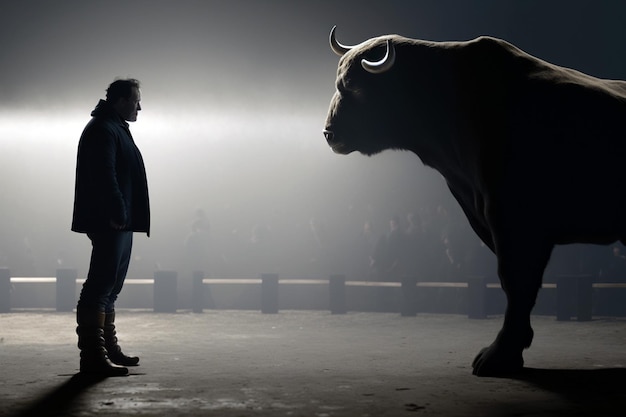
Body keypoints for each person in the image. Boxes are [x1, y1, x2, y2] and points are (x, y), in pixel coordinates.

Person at [71, 78, 150, 376]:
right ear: (120, 100)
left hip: (120, 221)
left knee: (110, 288)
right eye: (135, 100)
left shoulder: (112, 127)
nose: (139, 106)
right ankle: (92, 355)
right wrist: (117, 210)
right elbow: (104, 174)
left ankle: (106, 348)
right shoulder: (103, 129)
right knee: (100, 287)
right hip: (111, 221)